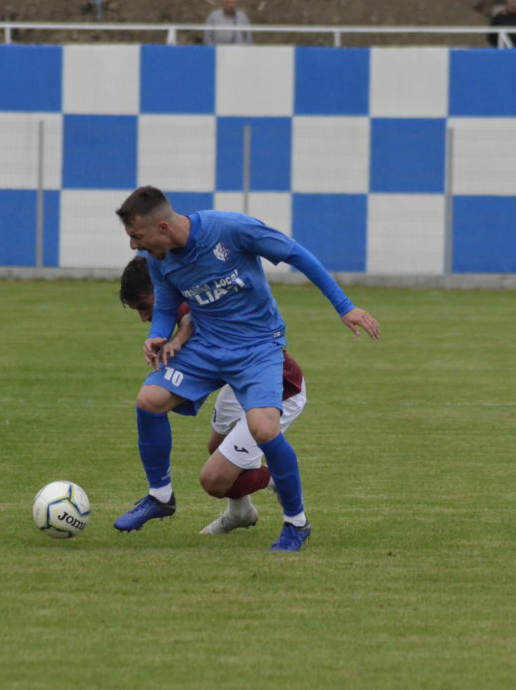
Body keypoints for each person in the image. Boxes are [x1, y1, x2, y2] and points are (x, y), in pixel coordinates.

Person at [114, 186, 380, 552]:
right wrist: (158, 336)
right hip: (208, 347)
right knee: (148, 399)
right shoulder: (160, 259)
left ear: (161, 227)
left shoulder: (231, 229)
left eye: (136, 236)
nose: (133, 247)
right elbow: (165, 307)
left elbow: (297, 254)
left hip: (256, 348)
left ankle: (296, 524)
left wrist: (344, 305)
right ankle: (160, 496)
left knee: (263, 428)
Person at [119, 255, 309, 535]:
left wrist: (178, 340)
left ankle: (278, 480)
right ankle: (240, 513)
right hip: (235, 382)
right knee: (216, 449)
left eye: (145, 306)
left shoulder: (190, 296)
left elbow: (191, 318)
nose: (144, 317)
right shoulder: (183, 291)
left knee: (215, 481)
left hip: (279, 388)